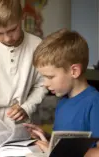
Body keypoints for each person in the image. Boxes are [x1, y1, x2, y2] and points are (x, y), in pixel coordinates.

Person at [0, 0, 47, 155]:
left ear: (22, 17)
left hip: (21, 128)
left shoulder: (37, 46)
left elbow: (43, 83)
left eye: (12, 29)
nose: (7, 38)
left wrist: (27, 107)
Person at [24, 29, 99, 157]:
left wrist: (56, 151)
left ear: (74, 71)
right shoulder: (63, 101)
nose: (45, 83)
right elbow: (65, 144)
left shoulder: (94, 102)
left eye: (50, 77)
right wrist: (46, 137)